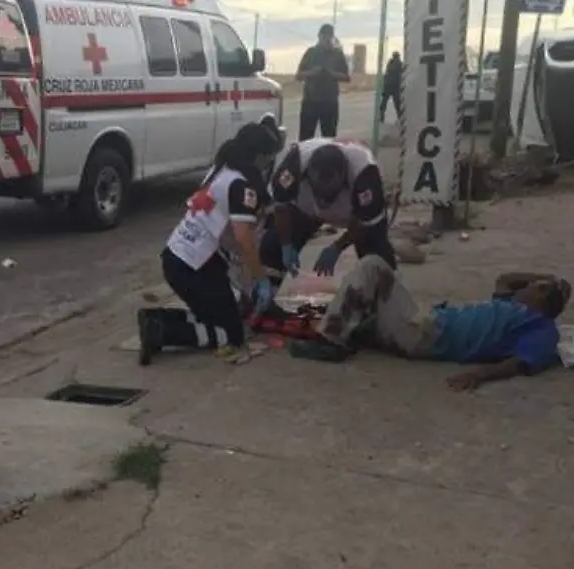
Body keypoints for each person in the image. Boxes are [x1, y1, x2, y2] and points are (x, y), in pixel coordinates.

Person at [291, 257, 572, 391]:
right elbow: (505, 279)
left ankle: (332, 342)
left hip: (427, 334)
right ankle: (352, 332)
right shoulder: (512, 305)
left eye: (533, 286)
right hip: (427, 323)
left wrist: (478, 375)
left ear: (541, 296)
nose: (524, 286)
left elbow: (520, 363)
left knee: (373, 267)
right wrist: (548, 276)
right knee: (365, 302)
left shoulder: (541, 326)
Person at [137, 123, 281, 366]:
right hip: (195, 265)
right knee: (233, 334)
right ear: (259, 155)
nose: (269, 162)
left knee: (213, 315)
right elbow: (244, 240)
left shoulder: (222, 170)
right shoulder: (241, 186)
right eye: (268, 156)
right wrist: (260, 278)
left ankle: (156, 318)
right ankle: (160, 332)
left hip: (176, 255)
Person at [256, 137, 395, 306]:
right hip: (306, 208)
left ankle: (380, 305)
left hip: (352, 212)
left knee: (377, 256)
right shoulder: (293, 165)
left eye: (328, 195)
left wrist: (337, 247)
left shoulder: (365, 176)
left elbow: (365, 223)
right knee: (272, 245)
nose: (323, 202)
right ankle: (263, 299)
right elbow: (281, 207)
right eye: (320, 193)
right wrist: (286, 244)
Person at [295, 24, 350, 140]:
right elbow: (298, 75)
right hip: (310, 101)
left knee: (329, 138)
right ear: (319, 36)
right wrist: (312, 72)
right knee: (305, 139)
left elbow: (346, 77)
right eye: (324, 36)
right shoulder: (311, 53)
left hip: (329, 102)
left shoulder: (337, 54)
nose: (326, 39)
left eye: (329, 36)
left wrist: (332, 73)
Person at [380, 52, 404, 122]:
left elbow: (386, 76)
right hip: (395, 87)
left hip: (389, 86)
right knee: (397, 105)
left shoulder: (390, 63)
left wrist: (383, 89)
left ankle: (381, 117)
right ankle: (400, 119)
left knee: (384, 103)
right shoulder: (399, 64)